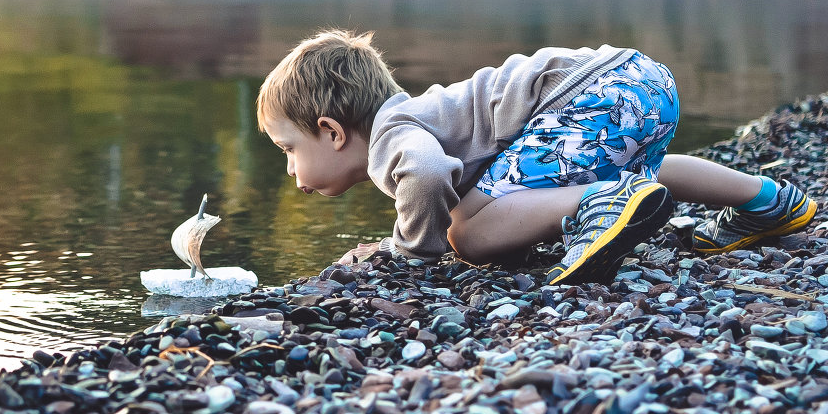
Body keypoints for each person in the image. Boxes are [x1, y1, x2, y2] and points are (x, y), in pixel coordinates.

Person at [256, 29, 818, 284]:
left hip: (590, 96)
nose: (289, 169)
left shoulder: (389, 137)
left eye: (289, 149)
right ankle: (769, 200)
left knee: (466, 233)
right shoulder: (425, 116)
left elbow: (425, 176)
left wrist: (409, 256)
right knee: (635, 172)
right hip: (637, 79)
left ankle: (605, 202)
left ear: (332, 131)